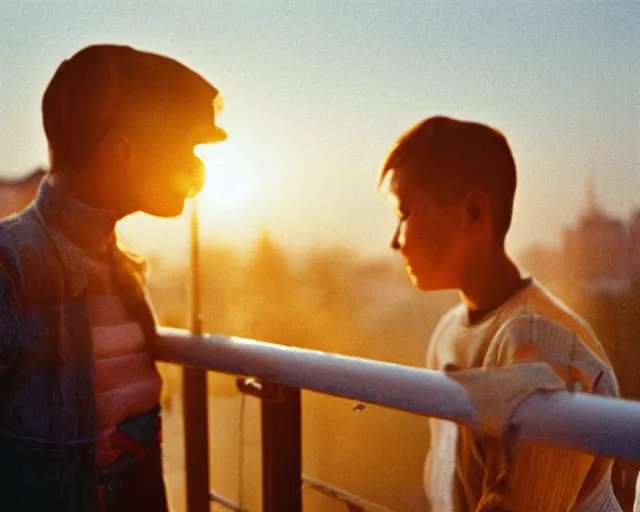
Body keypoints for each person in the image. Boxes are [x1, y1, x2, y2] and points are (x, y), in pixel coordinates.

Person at [0, 44, 226, 511]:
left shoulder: (122, 270)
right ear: (123, 151)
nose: (197, 171)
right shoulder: (10, 271)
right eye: (182, 147)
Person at [378, 116, 621, 511]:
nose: (395, 240)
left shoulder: (547, 346)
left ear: (474, 210)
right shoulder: (447, 333)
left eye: (404, 213)